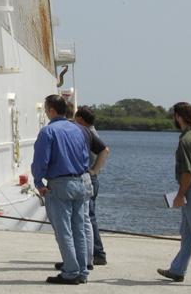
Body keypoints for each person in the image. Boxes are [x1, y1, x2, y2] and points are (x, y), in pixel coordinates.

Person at [32, 94, 91, 285]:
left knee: (63, 230)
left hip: (60, 184)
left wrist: (38, 182)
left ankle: (71, 271)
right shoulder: (79, 130)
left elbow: (41, 160)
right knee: (79, 229)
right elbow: (85, 158)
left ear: (51, 110)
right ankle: (82, 271)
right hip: (80, 181)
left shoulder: (48, 132)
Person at [158, 101, 191, 283]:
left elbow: (188, 172)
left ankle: (178, 269)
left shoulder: (186, 140)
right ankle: (177, 270)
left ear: (178, 117)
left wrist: (181, 194)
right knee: (187, 232)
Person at [74, 106, 109, 267]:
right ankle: (91, 253)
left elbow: (105, 150)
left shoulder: (89, 133)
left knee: (88, 217)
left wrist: (94, 171)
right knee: (88, 216)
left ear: (80, 119)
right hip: (90, 177)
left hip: (89, 177)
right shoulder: (90, 131)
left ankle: (98, 253)